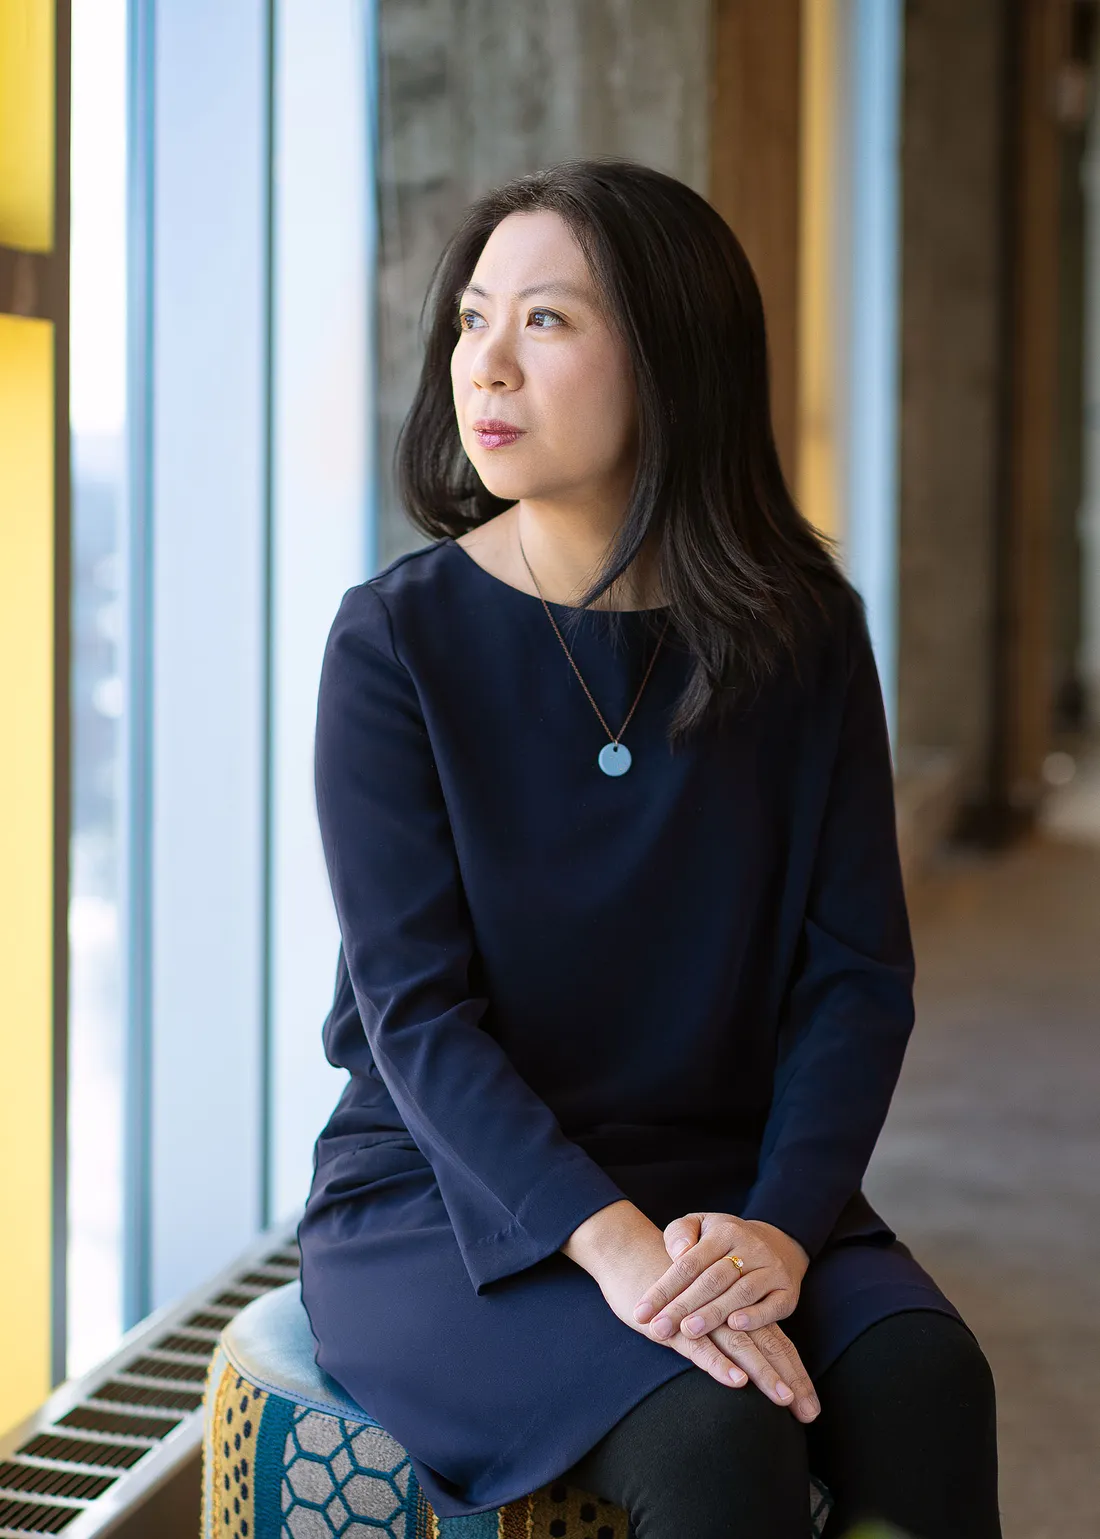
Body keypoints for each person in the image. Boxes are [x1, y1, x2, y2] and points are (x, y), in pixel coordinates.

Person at [297, 157, 1002, 1538]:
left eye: (546, 322)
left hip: (727, 1175)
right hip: (453, 1203)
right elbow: (416, 1015)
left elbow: (856, 976)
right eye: (472, 320)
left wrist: (785, 1226)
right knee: (709, 1433)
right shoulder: (395, 644)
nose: (485, 365)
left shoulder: (801, 637)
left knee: (930, 1377)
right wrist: (620, 1252)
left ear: (670, 362)